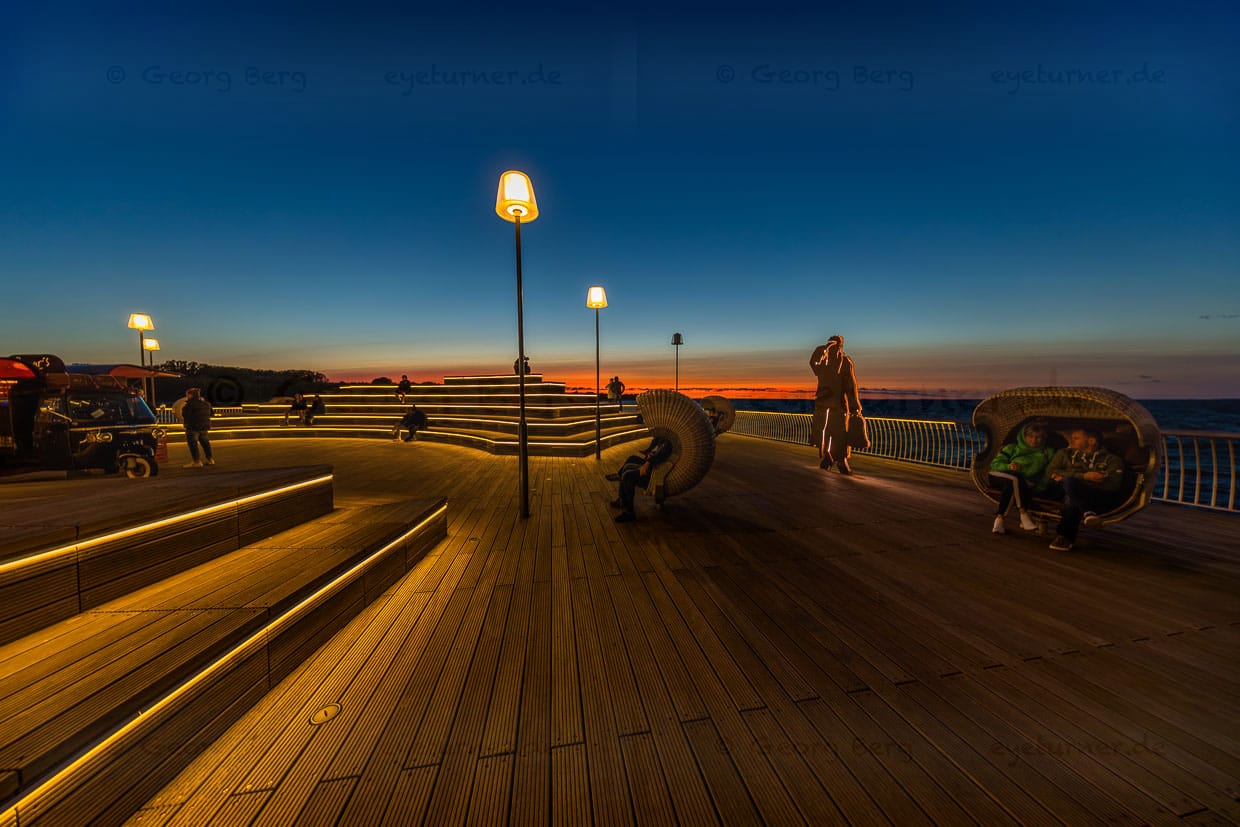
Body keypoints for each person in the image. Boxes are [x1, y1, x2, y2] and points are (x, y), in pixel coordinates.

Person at [1046, 428, 1126, 551]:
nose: (1071, 441)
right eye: (1071, 437)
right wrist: (1084, 476)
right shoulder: (1064, 453)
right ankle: (1087, 512)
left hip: (1093, 494)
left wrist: (1067, 475)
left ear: (1091, 441)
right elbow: (1050, 472)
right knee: (1069, 484)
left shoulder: (1111, 460)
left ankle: (1064, 537)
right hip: (1061, 490)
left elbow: (1114, 485)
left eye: (1076, 438)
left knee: (1071, 495)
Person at [988, 421, 1055, 534]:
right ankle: (1023, 513)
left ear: (1043, 438)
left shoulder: (1047, 452)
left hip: (1021, 483)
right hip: (999, 476)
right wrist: (1008, 466)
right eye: (1030, 436)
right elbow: (994, 465)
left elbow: (1048, 473)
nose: (1034, 440)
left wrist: (1039, 487)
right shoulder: (1012, 448)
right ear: (1024, 436)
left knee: (1013, 485)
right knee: (1016, 478)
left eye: (1038, 437)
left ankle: (999, 521)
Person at [809, 335, 861, 474]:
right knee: (823, 434)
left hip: (838, 406)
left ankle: (841, 459)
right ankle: (828, 457)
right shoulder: (823, 363)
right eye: (830, 344)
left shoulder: (845, 362)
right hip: (822, 405)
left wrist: (855, 406)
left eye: (836, 344)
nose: (833, 346)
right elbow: (813, 363)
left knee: (840, 434)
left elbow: (850, 385)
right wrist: (823, 349)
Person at [608, 435, 674, 523]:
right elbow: (653, 453)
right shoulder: (661, 439)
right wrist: (650, 454)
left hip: (652, 473)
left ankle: (629, 512)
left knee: (627, 476)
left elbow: (657, 458)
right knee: (629, 463)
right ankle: (622, 500)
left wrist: (648, 461)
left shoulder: (667, 444)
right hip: (650, 467)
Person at [180, 387, 214, 468]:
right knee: (205, 443)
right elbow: (212, 413)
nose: (186, 397)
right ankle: (210, 459)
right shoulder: (206, 403)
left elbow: (184, 414)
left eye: (187, 395)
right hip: (204, 426)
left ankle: (197, 461)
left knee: (193, 444)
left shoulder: (190, 404)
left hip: (193, 427)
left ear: (191, 395)